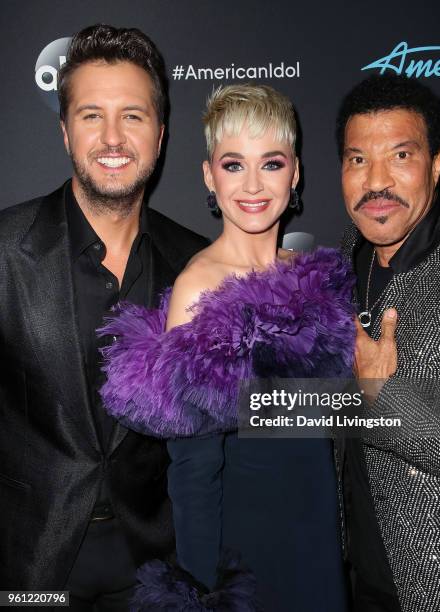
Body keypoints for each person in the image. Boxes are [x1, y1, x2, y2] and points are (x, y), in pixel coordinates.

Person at [99, 84, 355, 611]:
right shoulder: (200, 288)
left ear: (296, 172)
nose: (255, 185)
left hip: (318, 536)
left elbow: (321, 422)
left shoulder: (312, 278)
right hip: (248, 556)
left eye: (273, 163)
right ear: (209, 176)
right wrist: (202, 591)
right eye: (234, 165)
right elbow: (192, 469)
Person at [0, 24, 208, 610]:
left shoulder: (199, 263)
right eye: (92, 115)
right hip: (28, 561)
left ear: (161, 135)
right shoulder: (4, 247)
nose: (112, 137)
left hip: (156, 565)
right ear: (65, 130)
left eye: (133, 116)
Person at [336, 74, 440, 612]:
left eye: (400, 155)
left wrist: (384, 397)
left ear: (437, 164)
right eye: (358, 160)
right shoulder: (335, 271)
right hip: (352, 583)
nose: (376, 181)